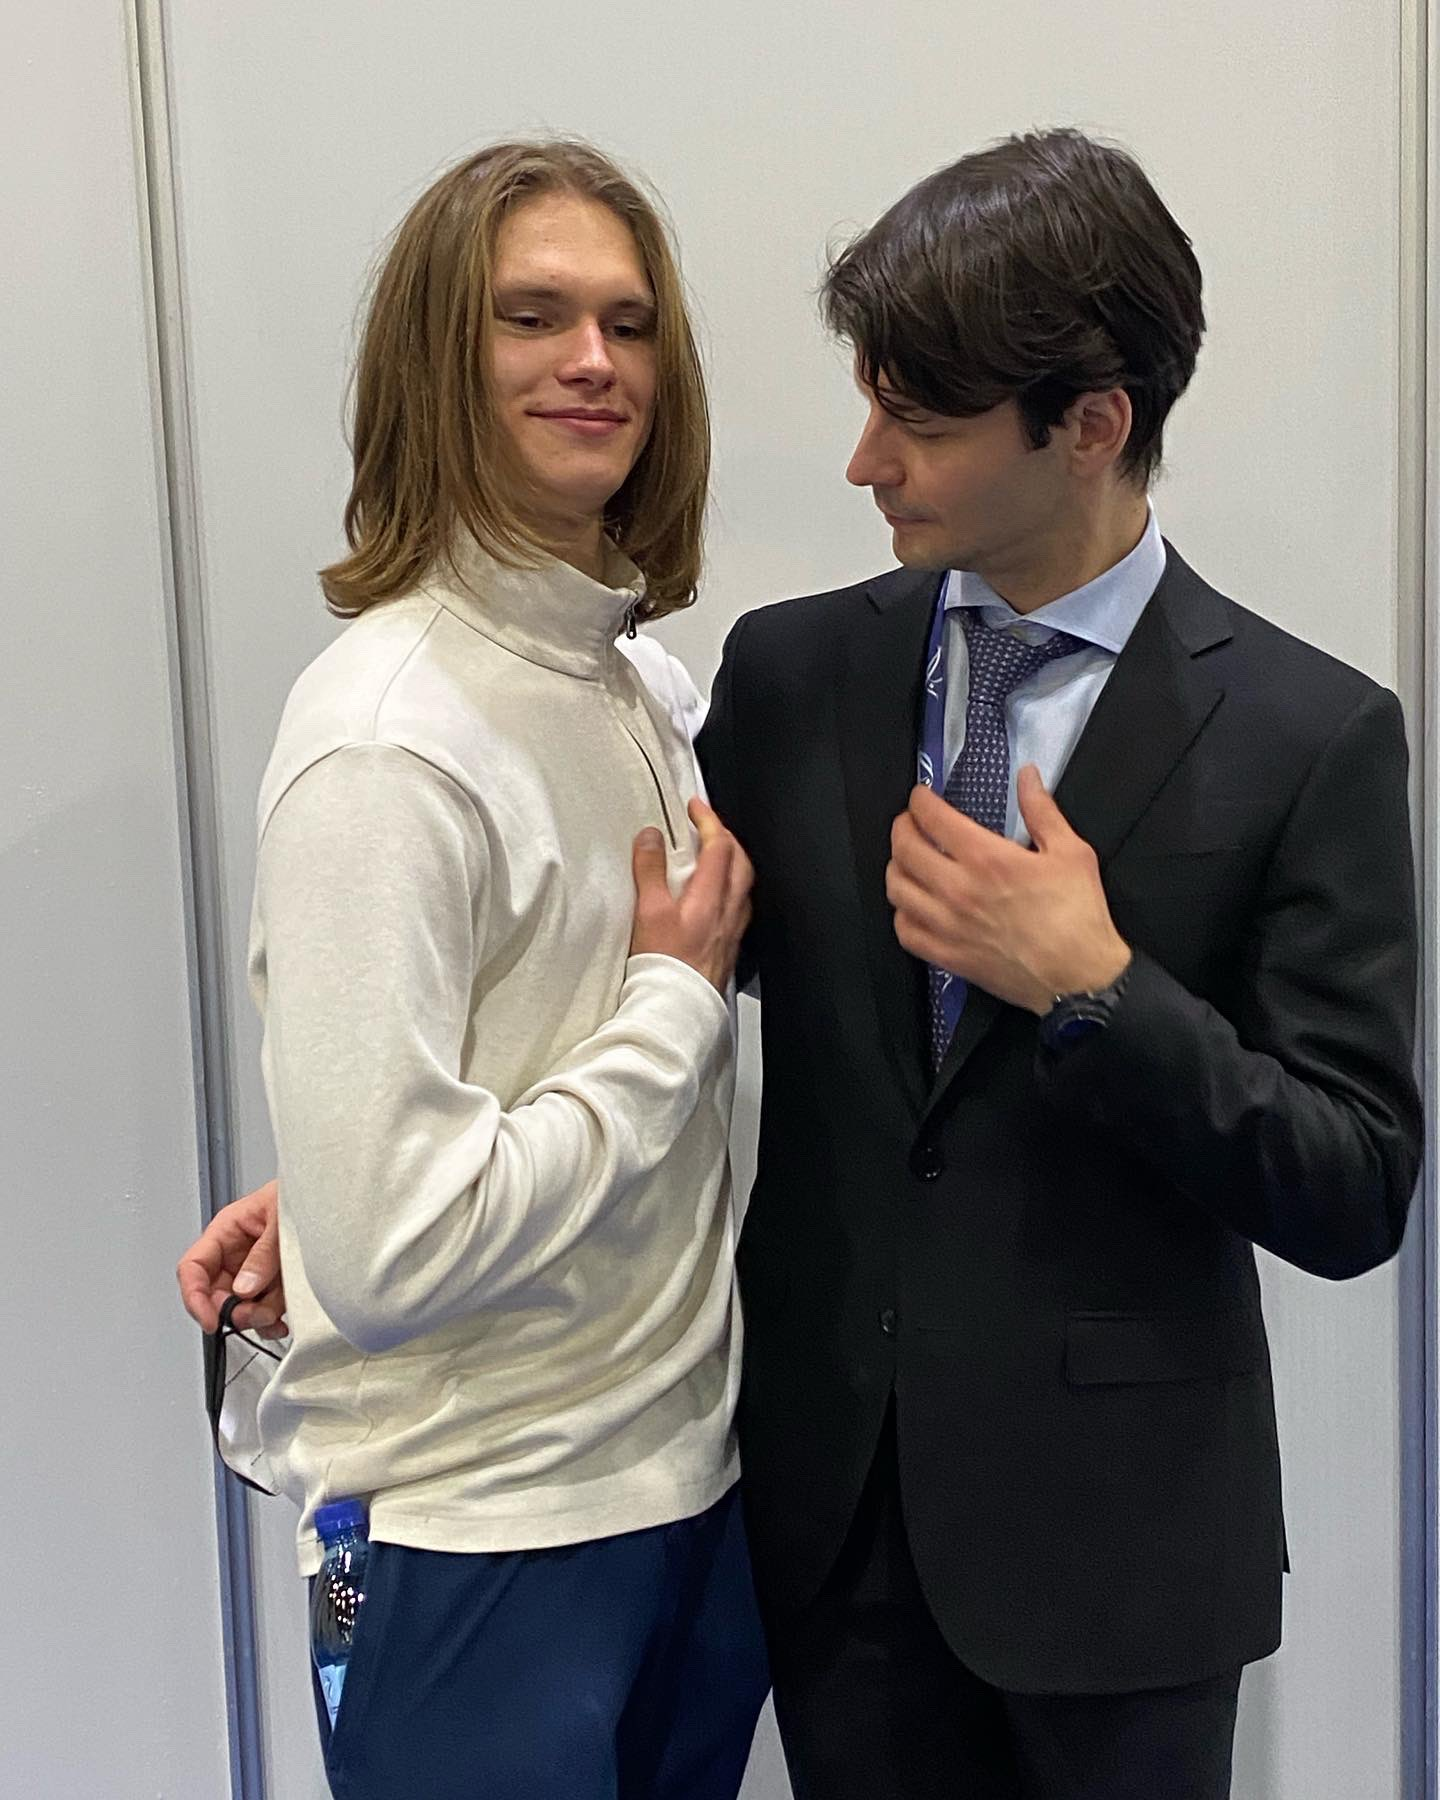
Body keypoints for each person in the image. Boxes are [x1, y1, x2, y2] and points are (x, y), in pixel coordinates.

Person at [183, 129, 1423, 1799]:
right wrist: (349, 1185)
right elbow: (642, 982)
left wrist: (1101, 991)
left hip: (1123, 1565)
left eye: (920, 422)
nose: (862, 462)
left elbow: (1353, 1183)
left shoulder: (1307, 732)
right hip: (822, 1549)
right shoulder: (785, 680)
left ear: (1091, 425)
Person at [184, 138, 768, 1800]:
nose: (594, 361)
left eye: (628, 323)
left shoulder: (631, 683)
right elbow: (400, 1254)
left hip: (684, 1496)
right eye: (534, 317)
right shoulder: (386, 739)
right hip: (474, 1541)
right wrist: (672, 1006)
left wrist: (338, 1185)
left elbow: (417, 1171)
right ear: (438, 357)